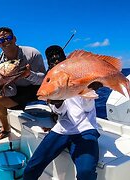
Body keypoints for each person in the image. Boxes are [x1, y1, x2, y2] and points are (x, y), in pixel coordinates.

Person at [23, 45, 101, 180]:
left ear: (66, 60)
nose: (56, 61)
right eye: (51, 60)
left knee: (86, 173)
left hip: (85, 129)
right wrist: (57, 103)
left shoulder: (79, 75)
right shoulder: (49, 83)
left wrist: (89, 89)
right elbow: (59, 112)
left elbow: (87, 109)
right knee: (31, 169)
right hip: (62, 129)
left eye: (59, 57)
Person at [0, 27, 46, 140]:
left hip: (39, 89)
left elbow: (44, 80)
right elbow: (2, 86)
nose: (6, 41)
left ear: (14, 39)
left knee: (57, 86)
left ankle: (58, 115)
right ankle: (6, 129)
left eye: (8, 38)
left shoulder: (33, 53)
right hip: (17, 92)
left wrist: (29, 74)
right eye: (1, 40)